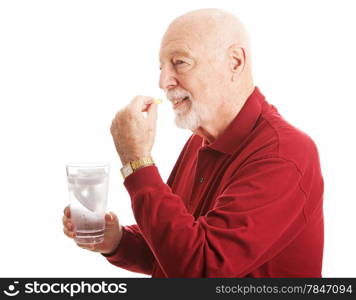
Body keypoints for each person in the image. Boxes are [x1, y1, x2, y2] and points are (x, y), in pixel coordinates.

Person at [62, 8, 324, 277]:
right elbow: (174, 248)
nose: (163, 81)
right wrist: (118, 240)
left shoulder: (285, 154)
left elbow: (200, 269)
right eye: (161, 67)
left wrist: (136, 161)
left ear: (234, 62)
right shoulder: (199, 141)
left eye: (180, 62)